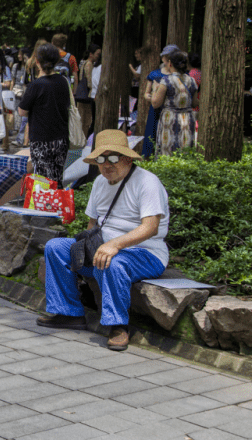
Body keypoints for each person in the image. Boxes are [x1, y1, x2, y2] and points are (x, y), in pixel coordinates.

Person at [37, 130, 169, 351]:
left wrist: (114, 244)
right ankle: (69, 312)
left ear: (127, 158)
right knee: (55, 247)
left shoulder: (147, 182)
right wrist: (86, 248)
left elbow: (150, 227)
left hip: (145, 253)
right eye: (101, 159)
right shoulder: (99, 182)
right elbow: (92, 225)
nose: (107, 164)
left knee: (112, 261)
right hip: (106, 247)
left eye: (113, 158)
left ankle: (118, 325)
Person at [18, 43, 70, 185]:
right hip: (61, 138)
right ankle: (58, 204)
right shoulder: (63, 81)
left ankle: (46, 206)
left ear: (37, 62)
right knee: (57, 178)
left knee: (43, 181)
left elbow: (22, 111)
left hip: (41, 140)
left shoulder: (36, 85)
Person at [152, 49, 198, 156]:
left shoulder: (166, 81)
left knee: (167, 149)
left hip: (170, 118)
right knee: (184, 149)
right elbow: (195, 103)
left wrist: (155, 89)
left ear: (170, 63)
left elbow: (155, 103)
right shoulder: (192, 81)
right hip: (187, 119)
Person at [140, 46, 170, 157]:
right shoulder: (154, 74)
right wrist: (153, 97)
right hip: (155, 110)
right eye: (166, 57)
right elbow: (146, 93)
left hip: (170, 110)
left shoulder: (180, 75)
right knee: (152, 135)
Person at [76, 43, 102, 138]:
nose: (98, 56)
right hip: (86, 96)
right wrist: (93, 91)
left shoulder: (84, 63)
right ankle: (83, 138)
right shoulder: (89, 64)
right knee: (86, 120)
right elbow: (89, 80)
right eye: (97, 54)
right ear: (91, 54)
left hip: (82, 95)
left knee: (82, 118)